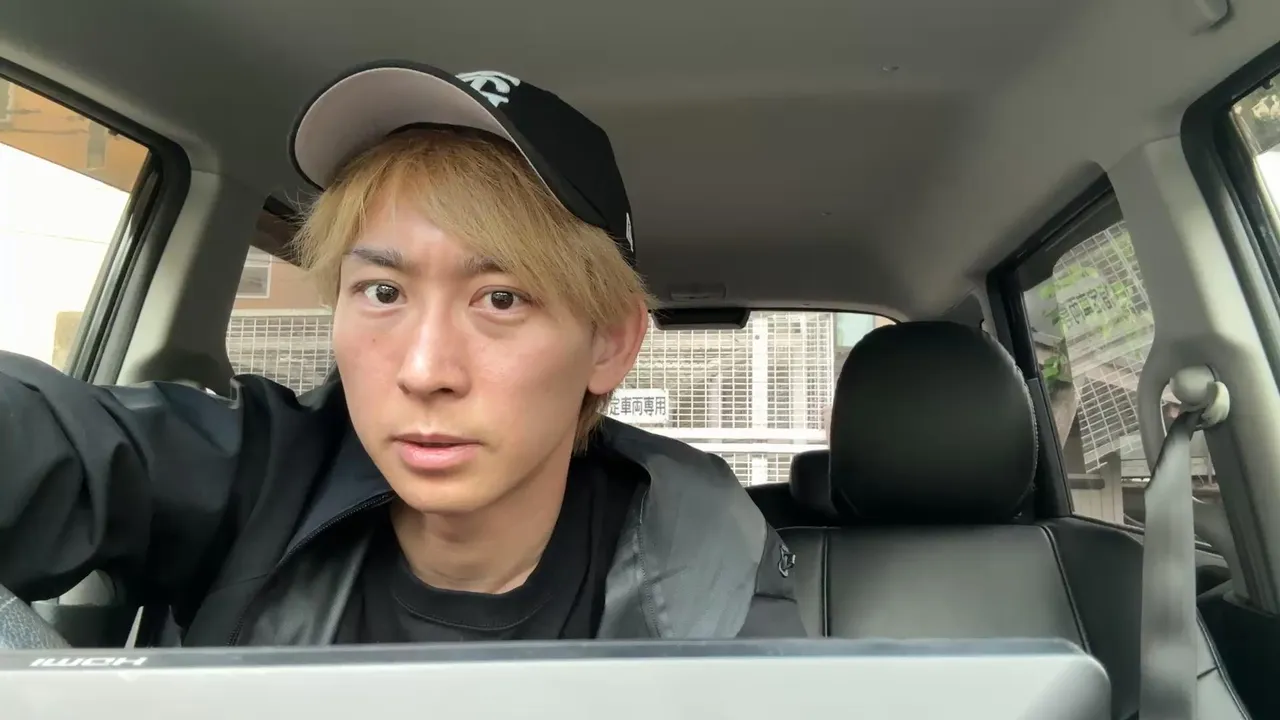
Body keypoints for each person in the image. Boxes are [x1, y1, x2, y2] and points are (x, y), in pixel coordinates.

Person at [0, 61, 805, 646]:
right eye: (383, 292)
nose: (424, 371)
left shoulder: (701, 549)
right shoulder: (255, 470)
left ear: (610, 342)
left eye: (501, 299)